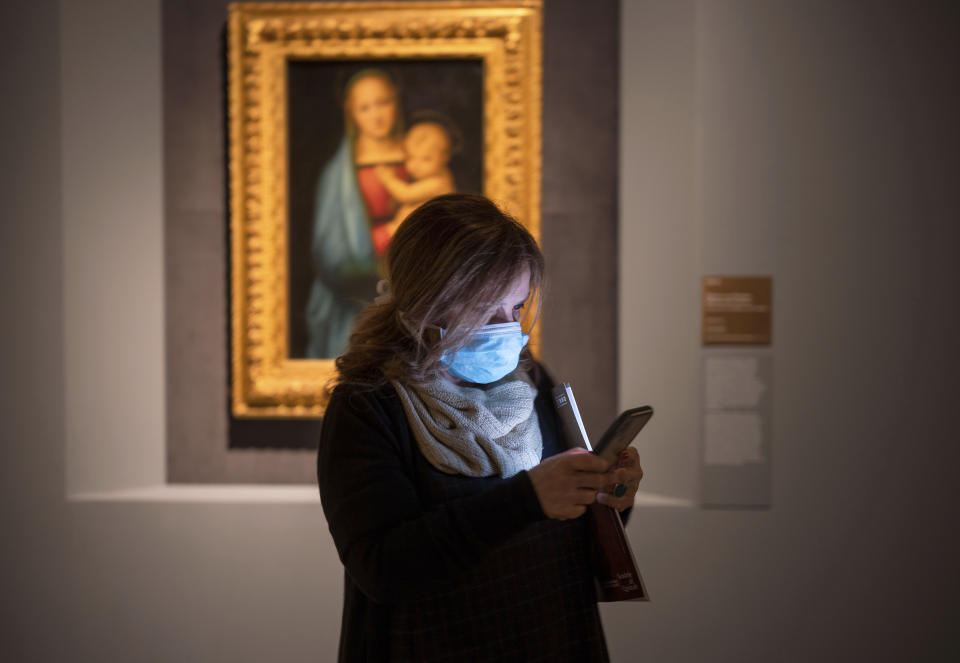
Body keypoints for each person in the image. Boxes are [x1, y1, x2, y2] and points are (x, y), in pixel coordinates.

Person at [317, 194, 645, 662]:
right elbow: (384, 570)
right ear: (429, 300)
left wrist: (606, 497)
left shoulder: (531, 381)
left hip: (555, 635)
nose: (508, 328)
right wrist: (527, 498)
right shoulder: (368, 407)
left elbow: (566, 529)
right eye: (486, 309)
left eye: (515, 308)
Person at [306, 69, 409, 358]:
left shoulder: (421, 156)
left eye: (383, 103)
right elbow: (329, 257)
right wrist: (390, 232)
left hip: (414, 294)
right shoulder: (337, 177)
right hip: (357, 304)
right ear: (352, 114)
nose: (376, 115)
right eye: (365, 108)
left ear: (396, 103)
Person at [370, 121, 456, 255]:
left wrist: (388, 179)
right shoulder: (436, 173)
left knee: (373, 243)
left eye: (426, 159)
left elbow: (405, 194)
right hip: (409, 230)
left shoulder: (439, 182)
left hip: (421, 234)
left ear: (445, 157)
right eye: (411, 157)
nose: (416, 165)